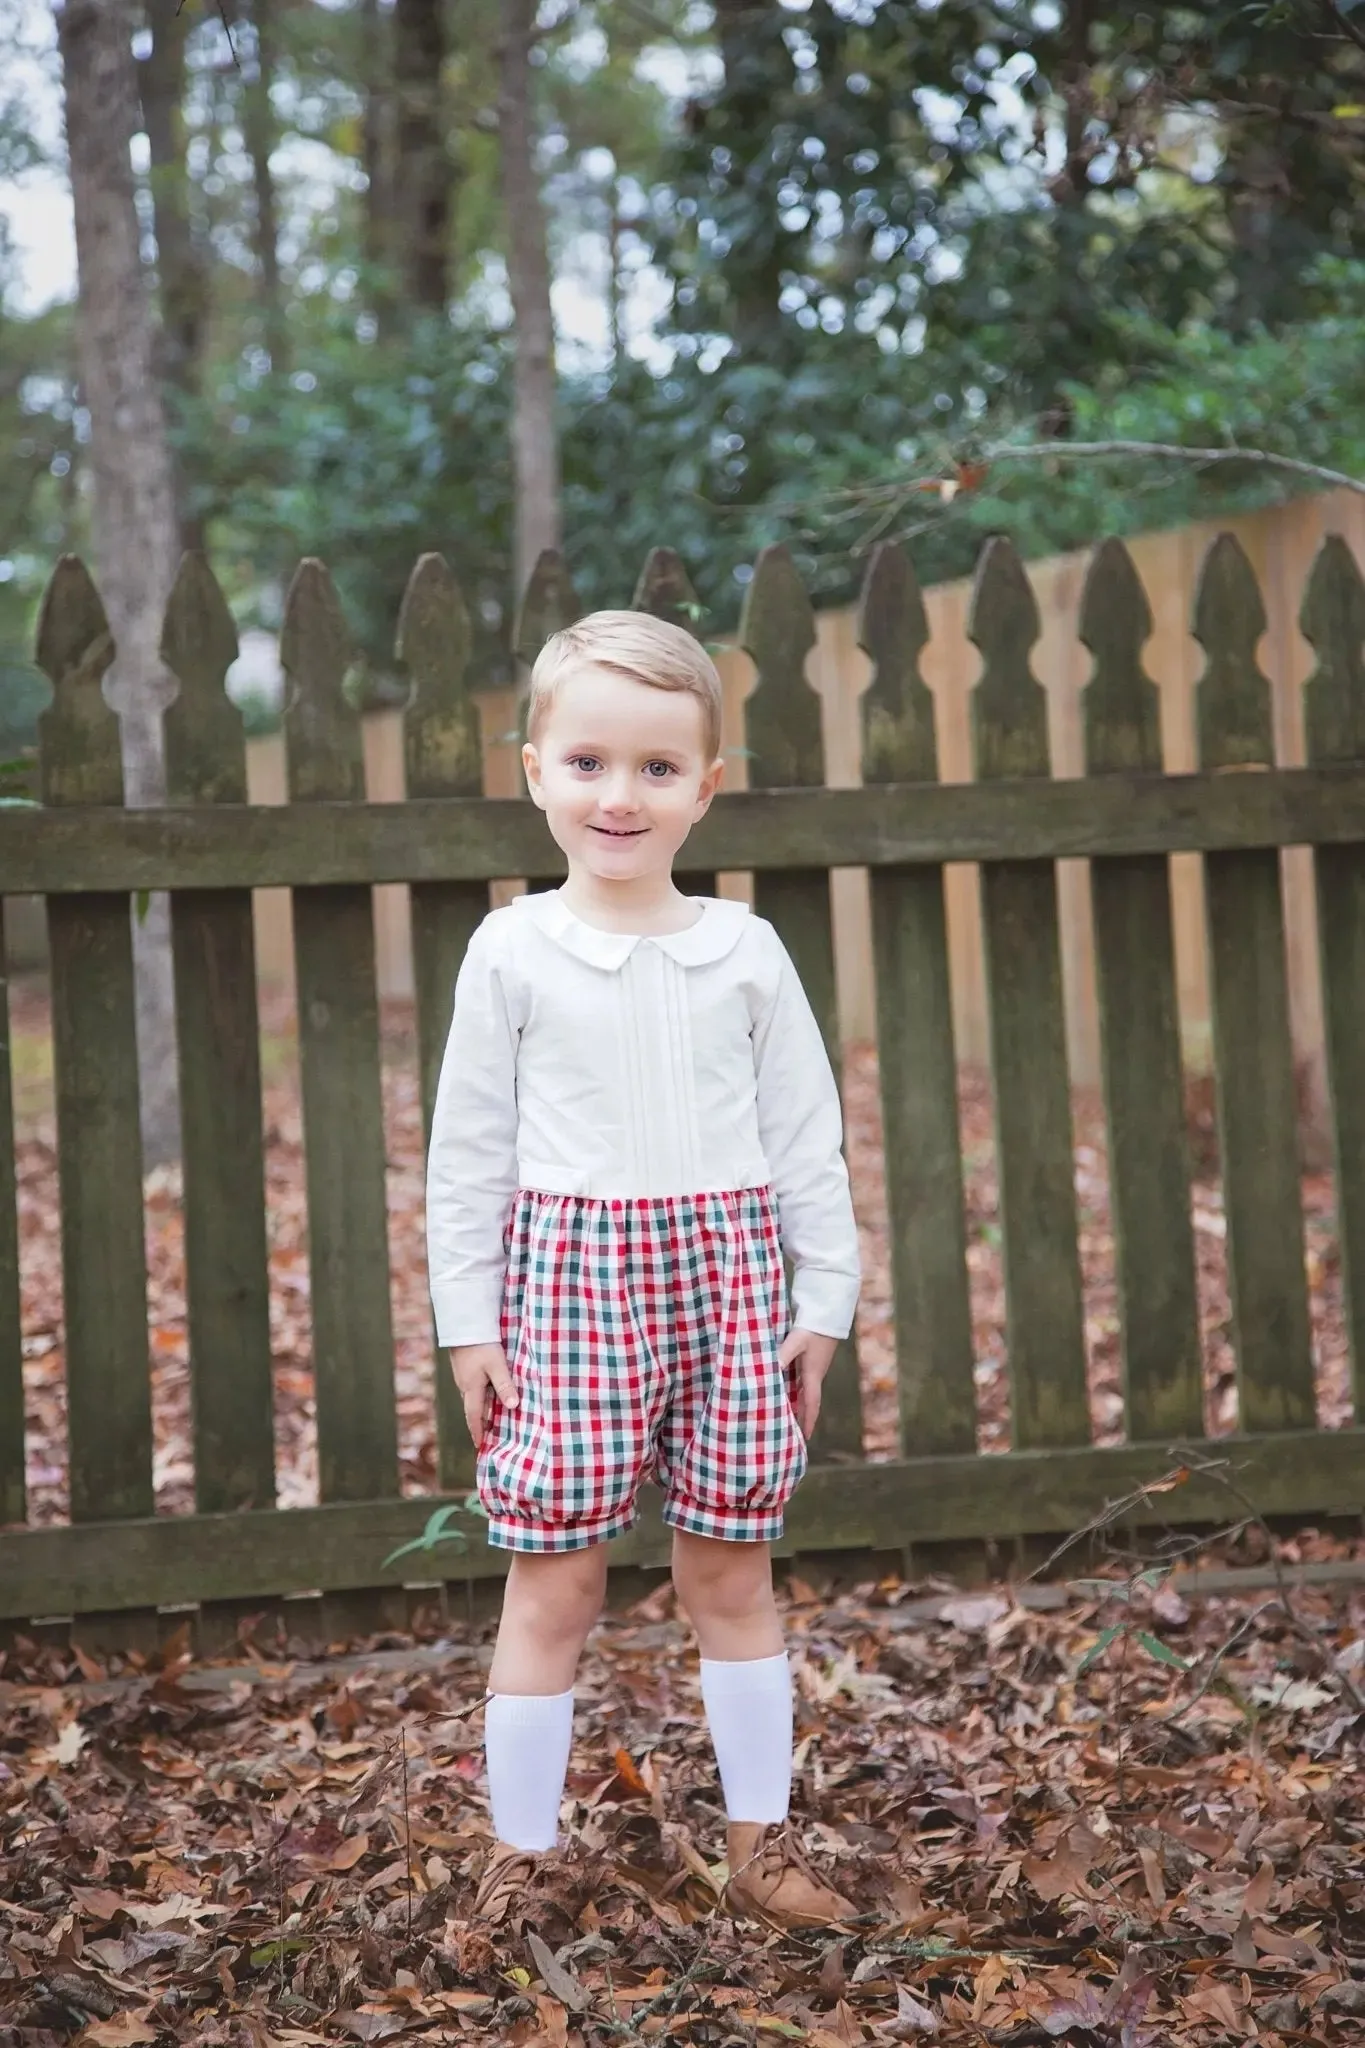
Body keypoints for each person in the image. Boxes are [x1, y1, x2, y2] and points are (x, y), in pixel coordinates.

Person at [425, 610, 862, 1930]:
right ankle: (520, 1852)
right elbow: (466, 1156)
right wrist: (468, 1325)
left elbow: (808, 1143)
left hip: (733, 1290)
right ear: (535, 772)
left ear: (706, 790)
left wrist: (823, 1304)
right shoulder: (512, 950)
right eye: (591, 762)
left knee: (727, 1570)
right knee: (554, 1575)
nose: (622, 795)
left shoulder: (746, 954)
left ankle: (760, 1843)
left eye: (659, 769)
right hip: (569, 1289)